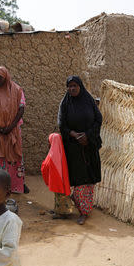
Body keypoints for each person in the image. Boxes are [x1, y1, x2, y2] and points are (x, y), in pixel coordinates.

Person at [58, 76, 102, 225]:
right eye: (69, 86)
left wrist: (88, 136)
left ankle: (85, 211)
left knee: (88, 179)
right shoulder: (65, 104)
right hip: (73, 148)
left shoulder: (88, 101)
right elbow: (61, 124)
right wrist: (74, 134)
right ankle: (77, 208)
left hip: (89, 146)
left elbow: (98, 119)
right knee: (77, 178)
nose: (72, 89)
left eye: (75, 86)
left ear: (80, 87)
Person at [0, 66, 29, 194]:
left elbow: (21, 108)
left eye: (0, 77)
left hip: (12, 131)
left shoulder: (16, 90)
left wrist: (10, 127)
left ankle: (16, 185)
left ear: (6, 77)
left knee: (14, 157)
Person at [41, 133, 73, 219]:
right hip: (62, 178)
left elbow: (46, 165)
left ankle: (62, 213)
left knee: (59, 196)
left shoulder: (53, 153)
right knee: (60, 195)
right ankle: (58, 210)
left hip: (57, 178)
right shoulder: (61, 151)